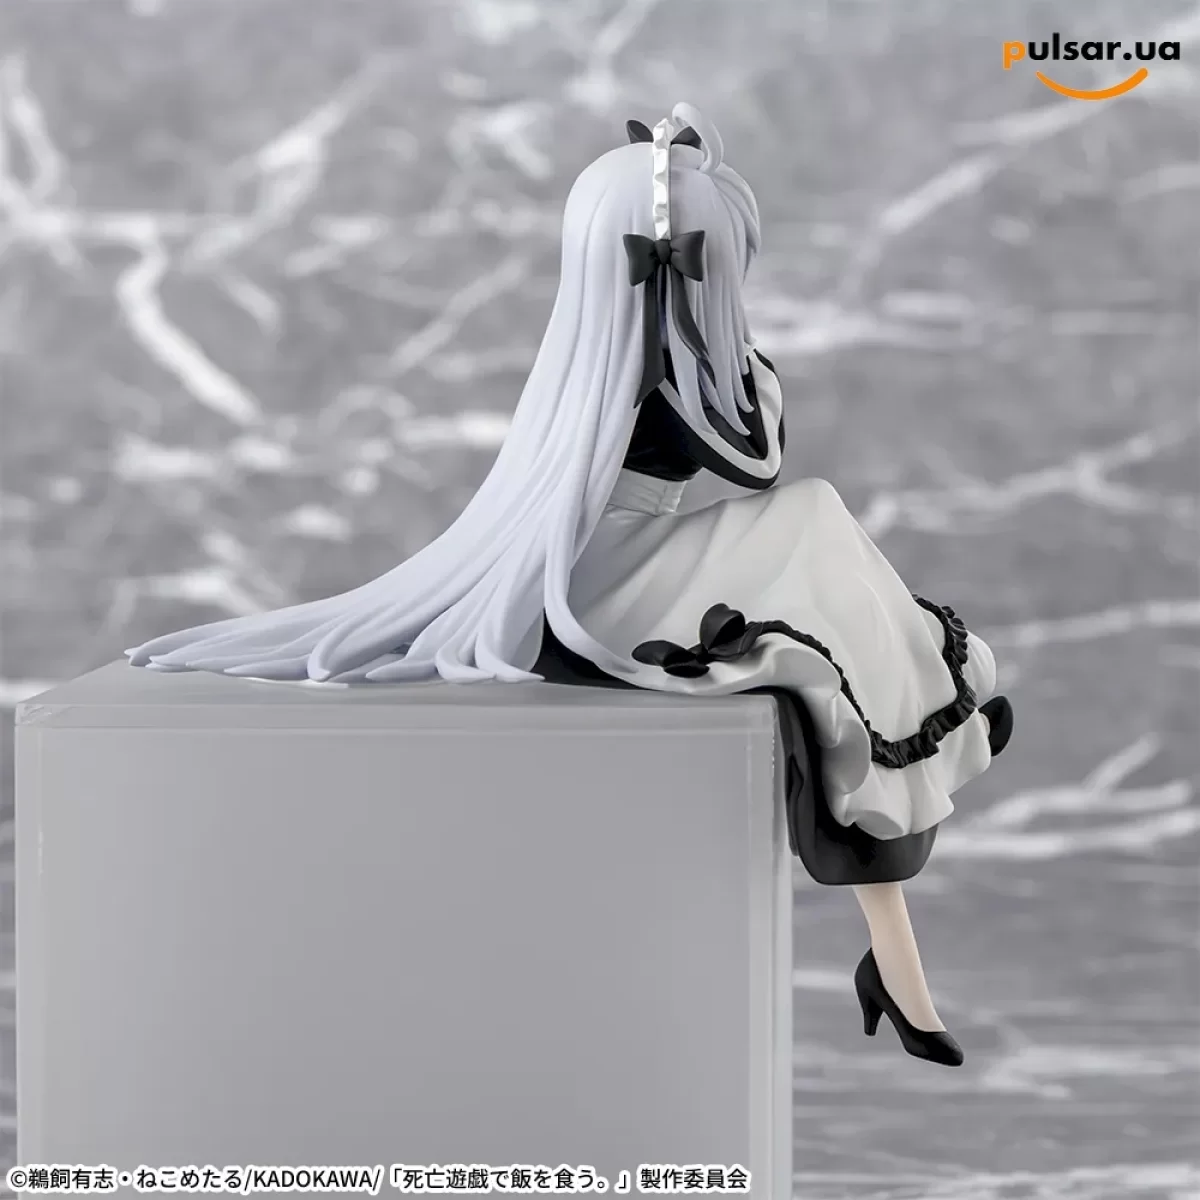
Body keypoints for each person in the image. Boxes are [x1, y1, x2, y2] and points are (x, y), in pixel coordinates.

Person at [128, 103, 1013, 1067]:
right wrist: (744, 362)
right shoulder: (657, 369)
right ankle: (928, 724)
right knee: (811, 524)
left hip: (629, 558)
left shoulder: (611, 356)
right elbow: (756, 464)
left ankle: (914, 809)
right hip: (611, 581)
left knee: (817, 545)